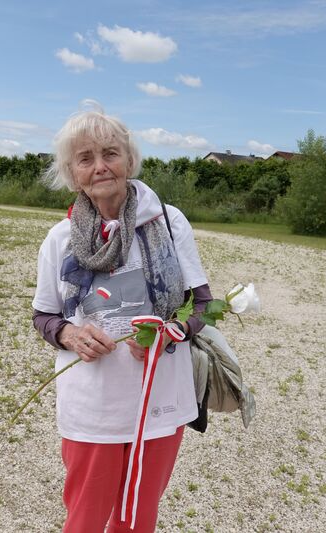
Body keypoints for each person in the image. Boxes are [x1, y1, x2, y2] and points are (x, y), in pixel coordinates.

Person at [31, 103, 212, 533]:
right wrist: (70, 335)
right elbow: (44, 316)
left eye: (110, 153)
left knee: (138, 517)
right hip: (93, 404)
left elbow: (201, 303)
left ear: (129, 160)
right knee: (85, 518)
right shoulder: (59, 240)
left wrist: (171, 331)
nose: (100, 166)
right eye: (85, 158)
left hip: (160, 398)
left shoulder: (169, 222)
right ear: (72, 172)